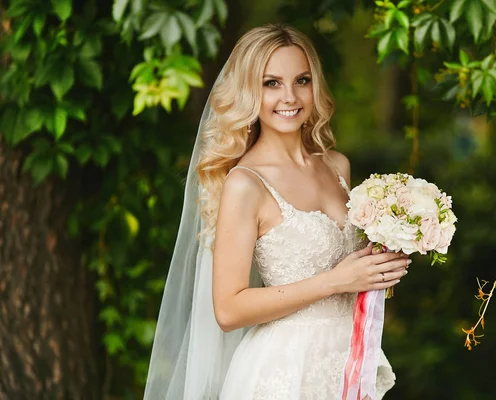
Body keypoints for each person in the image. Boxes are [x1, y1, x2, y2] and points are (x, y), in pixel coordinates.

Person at [144, 24, 411, 400]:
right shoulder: (245, 183)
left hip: (348, 360)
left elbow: (349, 274)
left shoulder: (337, 166)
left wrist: (379, 268)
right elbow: (229, 309)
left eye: (301, 80)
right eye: (272, 83)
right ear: (249, 91)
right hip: (282, 372)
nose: (290, 96)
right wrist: (336, 280)